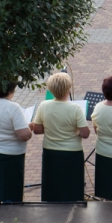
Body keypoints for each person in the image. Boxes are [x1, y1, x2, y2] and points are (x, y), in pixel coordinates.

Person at [30, 72, 90, 202]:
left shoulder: (44, 105)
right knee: (72, 186)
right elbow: (85, 134)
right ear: (68, 89)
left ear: (51, 89)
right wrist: (75, 132)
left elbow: (37, 130)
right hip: (72, 152)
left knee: (52, 185)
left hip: (50, 151)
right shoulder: (76, 108)